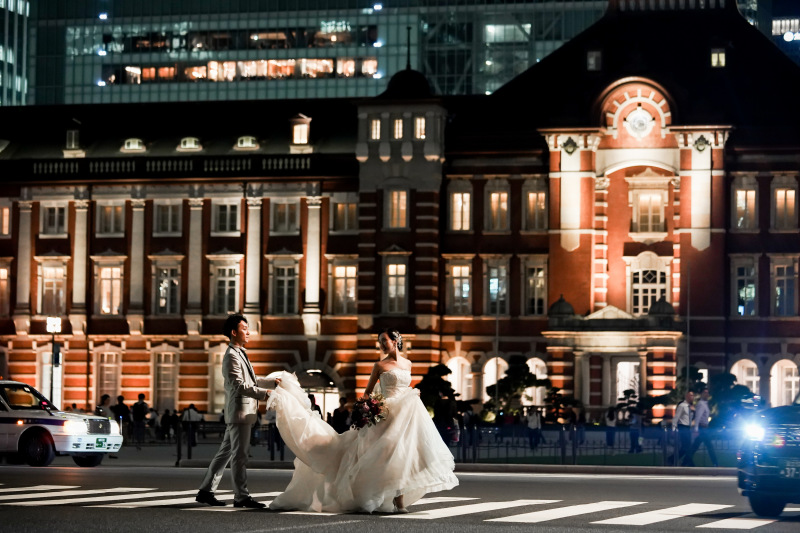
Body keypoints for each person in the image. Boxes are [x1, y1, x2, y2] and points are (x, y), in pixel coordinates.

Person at [267, 328, 458, 513]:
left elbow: (406, 386)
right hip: (387, 413)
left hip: (409, 411)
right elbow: (367, 392)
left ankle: (399, 501)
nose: (382, 344)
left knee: (407, 453)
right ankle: (375, 495)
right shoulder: (380, 366)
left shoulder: (408, 364)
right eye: (380, 341)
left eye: (385, 340)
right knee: (385, 454)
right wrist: (370, 407)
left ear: (395, 341)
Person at [195, 314, 279, 509]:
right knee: (239, 455)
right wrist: (264, 393)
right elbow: (239, 385)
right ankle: (241, 496)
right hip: (240, 413)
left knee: (224, 454)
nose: (248, 332)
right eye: (244, 328)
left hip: (242, 413)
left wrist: (271, 383)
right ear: (234, 332)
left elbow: (252, 380)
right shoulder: (232, 355)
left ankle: (205, 491)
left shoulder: (240, 352)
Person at [689, 388, 718, 467]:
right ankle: (715, 463)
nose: (706, 394)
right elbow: (698, 417)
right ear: (701, 394)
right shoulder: (701, 404)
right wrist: (696, 429)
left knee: (695, 446)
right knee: (709, 446)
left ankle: (685, 461)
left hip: (704, 428)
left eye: (707, 393)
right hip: (702, 428)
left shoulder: (705, 404)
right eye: (705, 392)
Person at [672, 390, 695, 466]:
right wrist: (673, 428)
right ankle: (689, 463)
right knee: (687, 447)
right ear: (687, 396)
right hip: (682, 427)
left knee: (686, 447)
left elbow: (691, 418)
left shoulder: (691, 407)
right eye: (690, 396)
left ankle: (672, 459)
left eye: (692, 396)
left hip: (688, 428)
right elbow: (676, 417)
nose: (692, 397)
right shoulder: (682, 405)